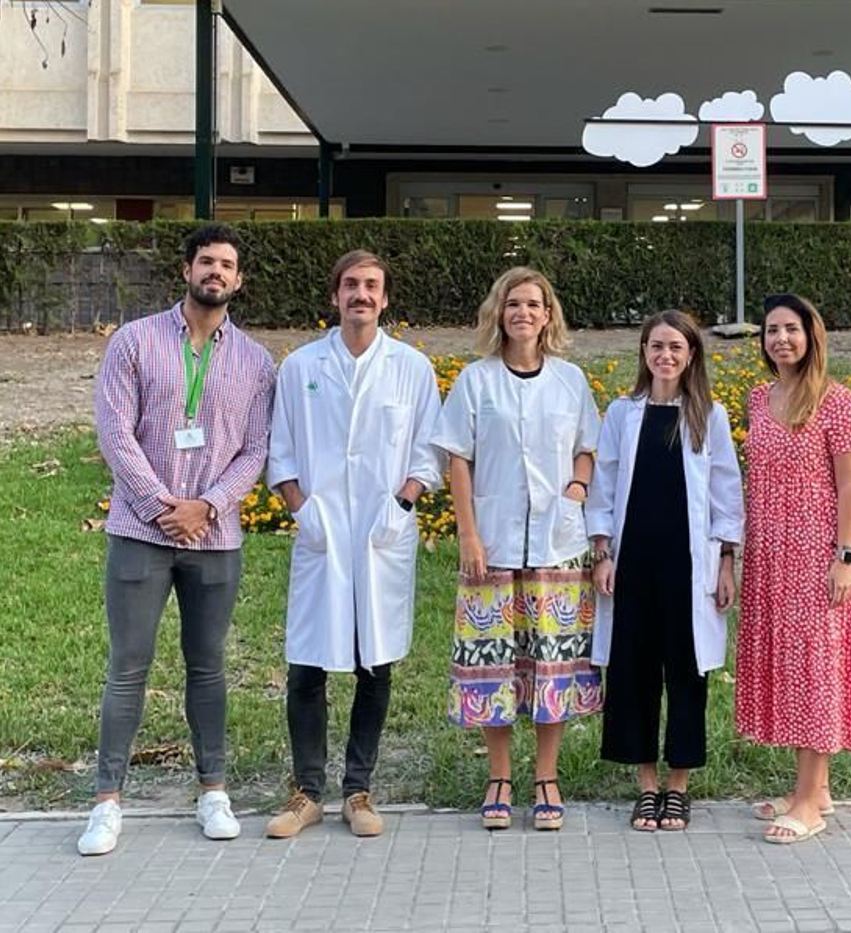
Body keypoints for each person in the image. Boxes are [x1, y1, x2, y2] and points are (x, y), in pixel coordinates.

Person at [79, 225, 277, 856]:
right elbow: (114, 431)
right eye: (206, 261)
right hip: (141, 532)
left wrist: (208, 506)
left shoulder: (255, 361)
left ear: (238, 280)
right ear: (186, 269)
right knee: (127, 669)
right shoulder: (134, 342)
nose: (215, 272)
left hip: (215, 540)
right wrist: (165, 507)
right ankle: (107, 802)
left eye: (227, 264)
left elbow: (256, 451)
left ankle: (213, 790)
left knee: (208, 668)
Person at [263, 250, 443, 839]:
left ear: (385, 299)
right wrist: (301, 509)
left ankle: (358, 790)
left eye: (370, 286)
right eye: (350, 285)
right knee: (307, 664)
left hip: (381, 532)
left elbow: (428, 451)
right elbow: (281, 449)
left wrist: (402, 503)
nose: (360, 294)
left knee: (376, 660)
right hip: (322, 531)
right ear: (334, 296)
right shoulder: (301, 367)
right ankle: (306, 792)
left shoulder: (411, 368)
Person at [433, 266, 602, 832]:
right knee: (493, 667)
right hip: (495, 544)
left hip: (557, 544)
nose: (523, 313)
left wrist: (578, 486)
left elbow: (587, 446)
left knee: (551, 666)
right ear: (498, 314)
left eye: (534, 304)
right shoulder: (477, 381)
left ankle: (547, 777)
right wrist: (469, 534)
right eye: (513, 304)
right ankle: (500, 777)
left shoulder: (570, 380)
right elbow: (458, 456)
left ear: (548, 315)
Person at [586, 310, 743, 833]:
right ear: (644, 352)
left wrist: (726, 562)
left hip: (689, 566)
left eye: (676, 346)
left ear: (692, 354)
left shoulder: (707, 415)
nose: (666, 356)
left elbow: (726, 495)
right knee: (633, 672)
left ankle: (678, 787)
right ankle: (646, 786)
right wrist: (602, 552)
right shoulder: (621, 414)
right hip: (634, 564)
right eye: (656, 346)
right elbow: (603, 486)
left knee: (685, 673)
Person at [734, 293, 851, 846]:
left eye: (791, 329)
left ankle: (810, 803)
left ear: (811, 336)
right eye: (771, 331)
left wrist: (845, 555)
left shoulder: (836, 402)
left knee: (814, 668)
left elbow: (850, 486)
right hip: (771, 552)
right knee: (792, 667)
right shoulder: (757, 397)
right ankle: (812, 789)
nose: (781, 339)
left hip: (817, 552)